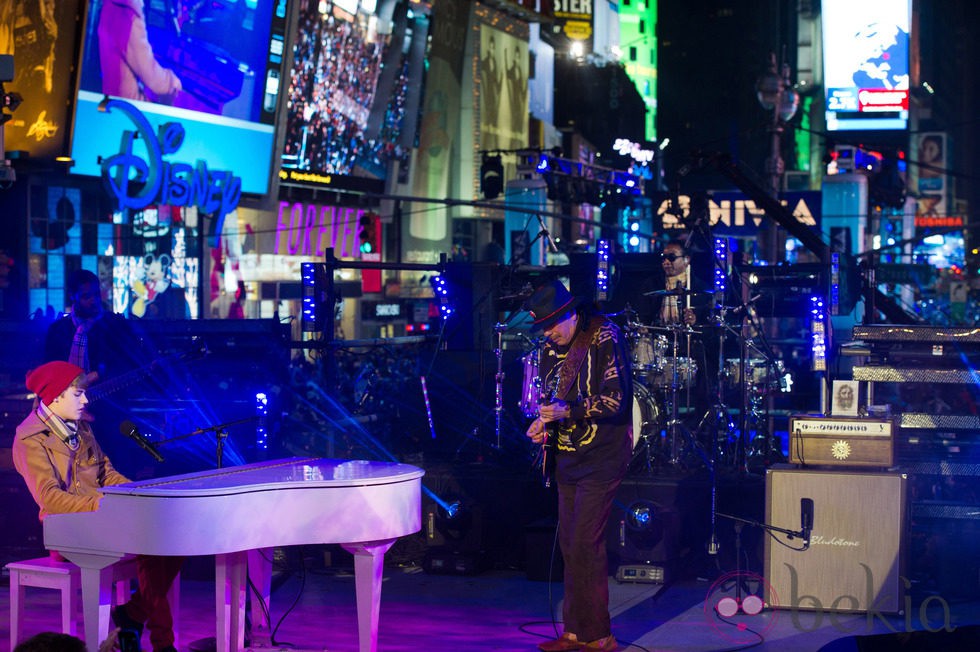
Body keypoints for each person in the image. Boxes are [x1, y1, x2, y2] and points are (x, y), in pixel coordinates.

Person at [12, 361, 182, 652]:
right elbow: (50, 498)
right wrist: (104, 504)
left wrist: (133, 492)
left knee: (173, 537)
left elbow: (106, 472)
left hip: (101, 519)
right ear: (55, 397)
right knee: (150, 542)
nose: (86, 399)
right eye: (78, 394)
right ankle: (160, 641)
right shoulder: (29, 438)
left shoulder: (80, 427)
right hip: (65, 530)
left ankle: (133, 614)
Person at [524, 280, 632, 652]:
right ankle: (574, 632)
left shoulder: (604, 335)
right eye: (542, 328)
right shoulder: (549, 349)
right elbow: (553, 398)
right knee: (571, 544)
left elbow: (617, 400)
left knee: (586, 542)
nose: (548, 334)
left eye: (552, 325)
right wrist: (544, 423)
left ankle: (599, 635)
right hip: (567, 458)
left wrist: (570, 410)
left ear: (570, 313)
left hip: (602, 457)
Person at [98, 0, 182, 103]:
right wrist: (171, 83)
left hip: (113, 98)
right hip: (127, 107)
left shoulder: (113, 5)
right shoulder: (127, 11)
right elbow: (149, 73)